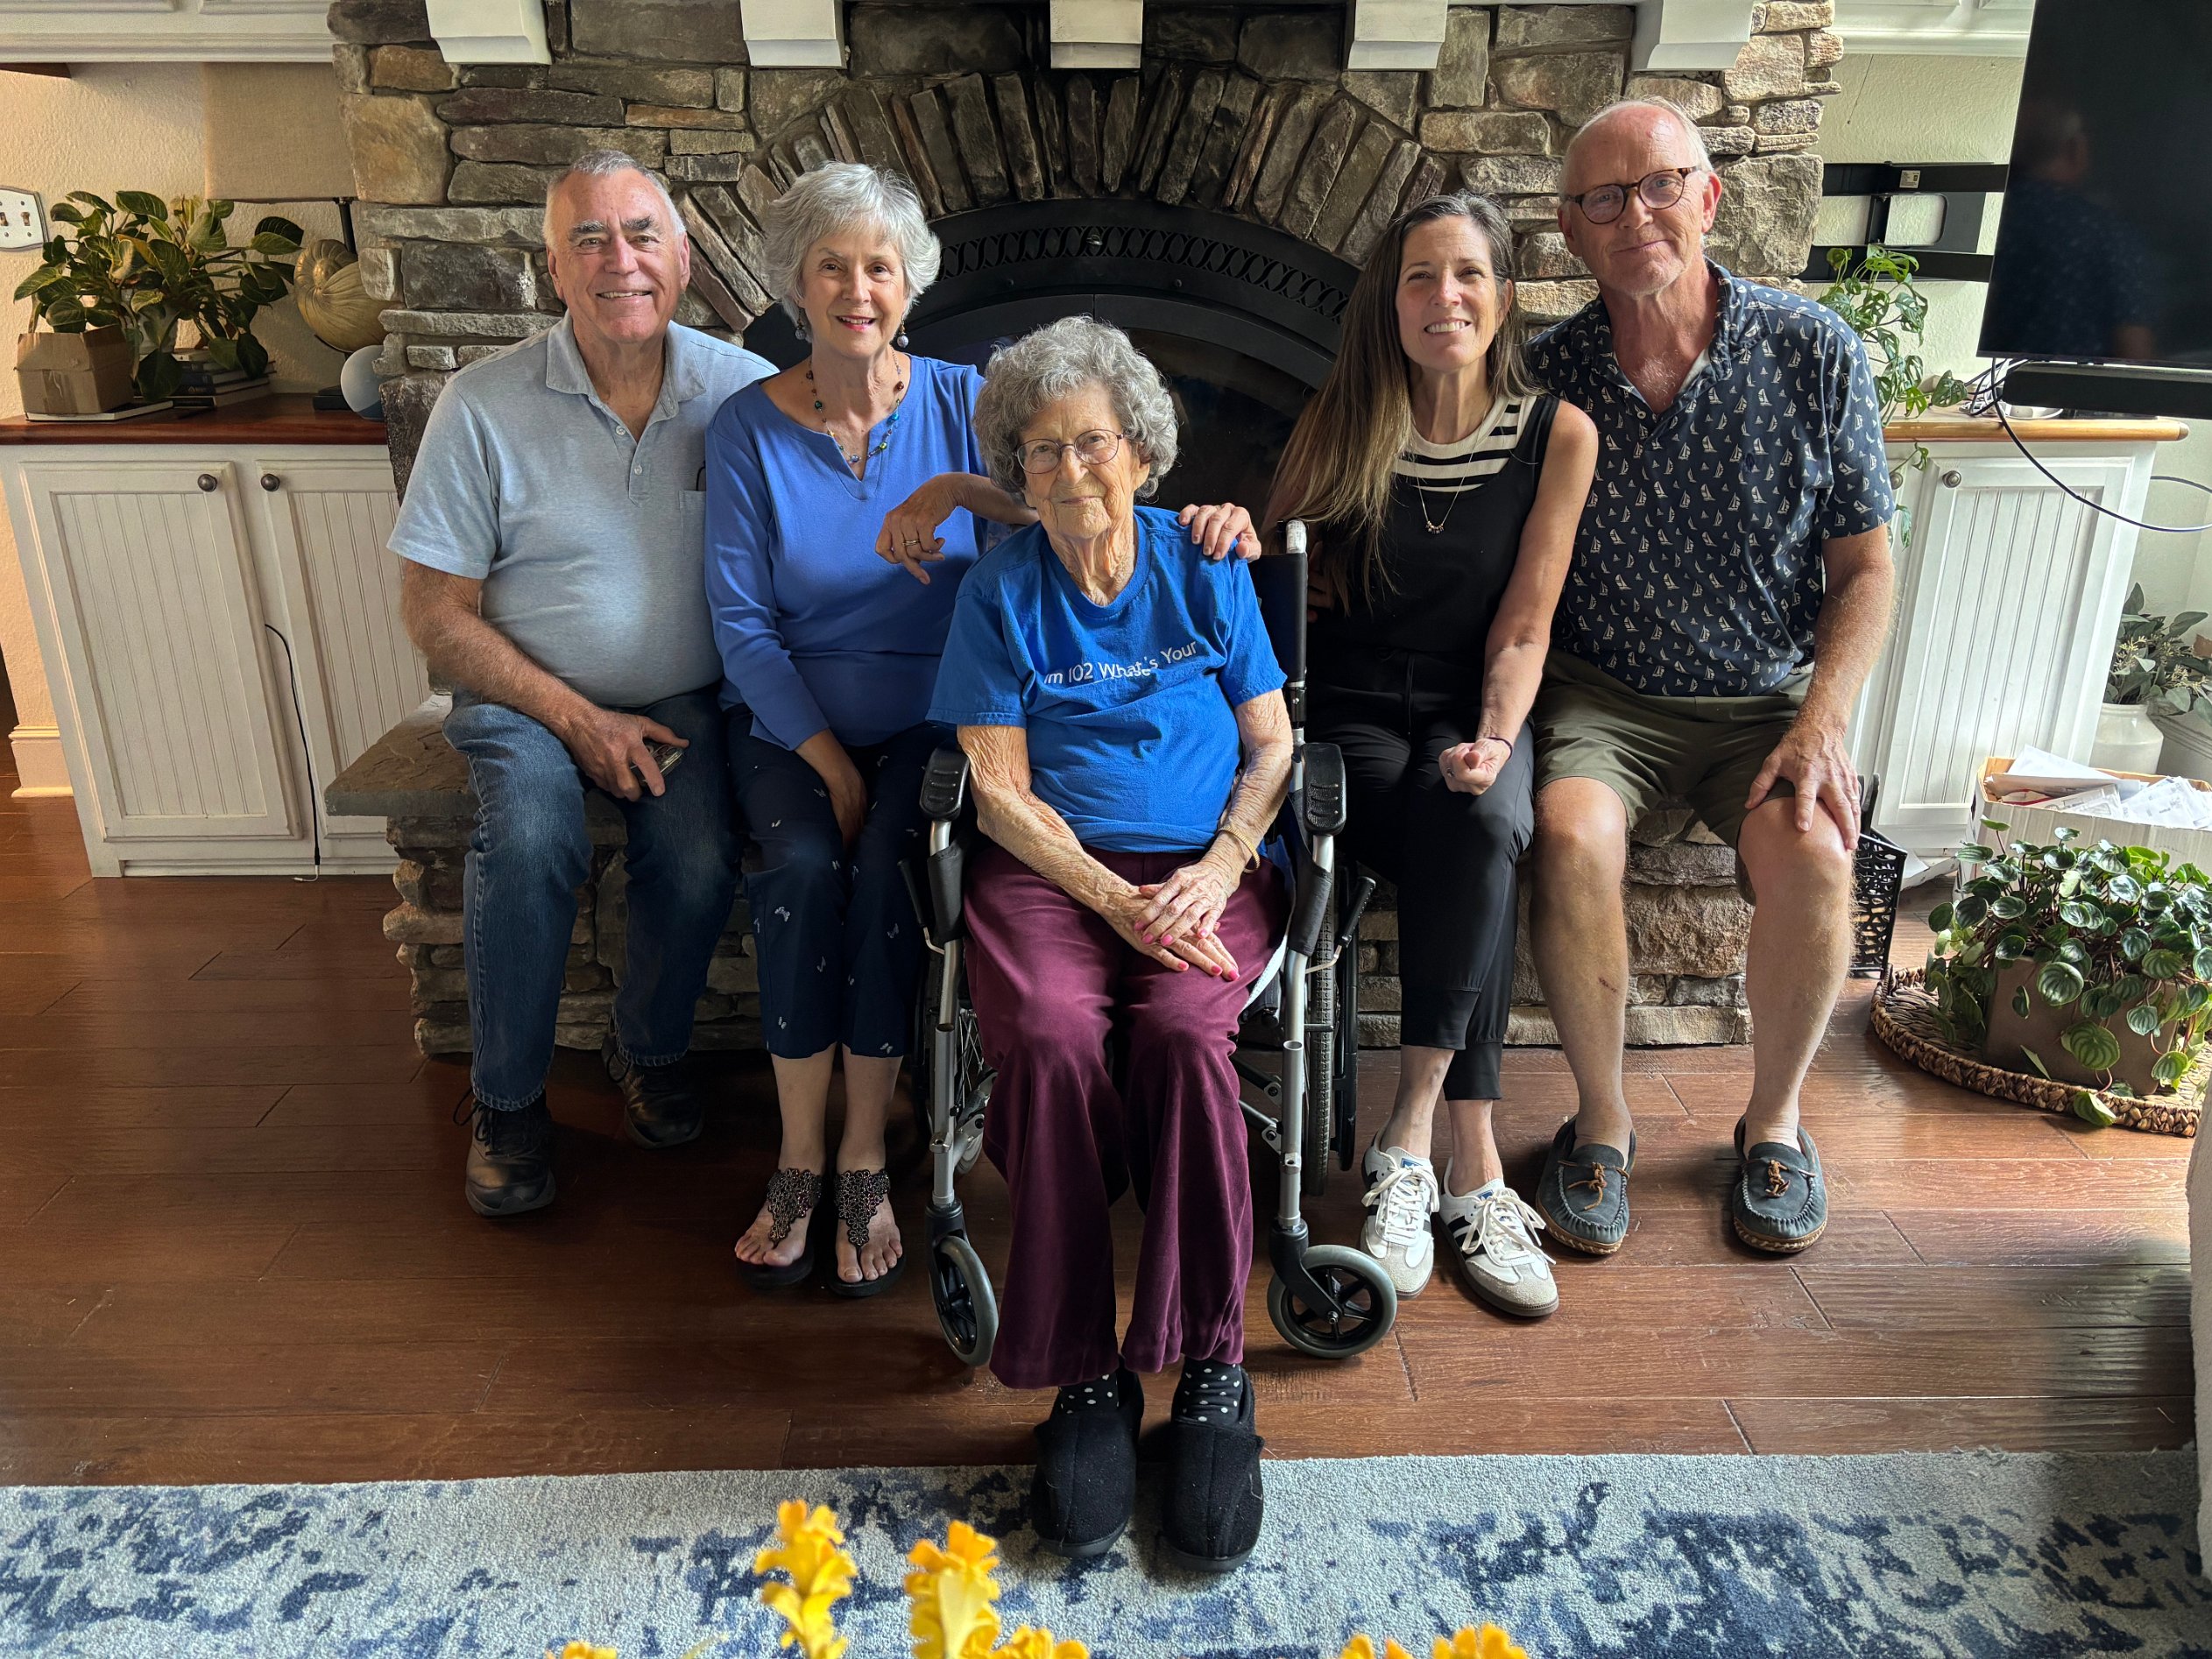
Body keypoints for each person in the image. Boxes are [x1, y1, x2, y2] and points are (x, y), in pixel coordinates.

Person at [706, 163, 1260, 1295]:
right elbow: (740, 623)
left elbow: (1062, 487)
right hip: (800, 721)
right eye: (829, 266)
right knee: (803, 869)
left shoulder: (968, 397)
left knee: (890, 870)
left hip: (938, 714)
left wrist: (956, 488)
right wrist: (827, 763)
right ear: (794, 285)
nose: (856, 289)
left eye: (879, 266)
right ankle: (804, 1152)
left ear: (910, 283)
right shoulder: (745, 428)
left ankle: (868, 1152)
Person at [929, 315, 1291, 1574]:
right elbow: (996, 790)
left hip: (1201, 865)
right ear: (1017, 475)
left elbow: (1272, 744)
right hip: (1050, 872)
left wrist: (1220, 866)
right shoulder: (1000, 591)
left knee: (1186, 1033)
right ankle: (1084, 1371)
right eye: (1040, 451)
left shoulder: (1207, 565)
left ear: (1139, 452)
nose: (1069, 468)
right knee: (1044, 1030)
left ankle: (1210, 1368)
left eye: (1091, 442)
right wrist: (1105, 895)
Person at [1525, 99, 1896, 1258]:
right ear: (1570, 230)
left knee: (1817, 851)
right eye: (1602, 198)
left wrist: (1820, 722)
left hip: (1765, 695)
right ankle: (1600, 1122)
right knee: (1567, 833)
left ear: (1708, 196)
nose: (1634, 214)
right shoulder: (1544, 374)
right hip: (1605, 695)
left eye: (1659, 185)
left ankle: (1774, 1123)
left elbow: (1866, 568)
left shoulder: (1812, 349)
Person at [392, 151, 773, 1218]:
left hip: (687, 698)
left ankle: (646, 1049)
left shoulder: (742, 394)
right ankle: (506, 1101)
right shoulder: (482, 405)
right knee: (530, 840)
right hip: (525, 695)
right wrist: (574, 716)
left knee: (696, 856)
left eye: (642, 235)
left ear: (683, 258)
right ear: (553, 269)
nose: (620, 261)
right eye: (589, 240)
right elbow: (433, 612)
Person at [1264, 192, 1596, 1316]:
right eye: (1419, 276)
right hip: (1348, 705)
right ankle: (1476, 1165)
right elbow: (1275, 578)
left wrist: (1494, 738)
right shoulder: (1341, 419)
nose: (1442, 297)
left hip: (1471, 700)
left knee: (1485, 812)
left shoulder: (1557, 434)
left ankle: (1410, 1140)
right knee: (1469, 844)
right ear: (1390, 299)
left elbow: (1525, 623)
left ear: (1502, 298)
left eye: (1466, 275)